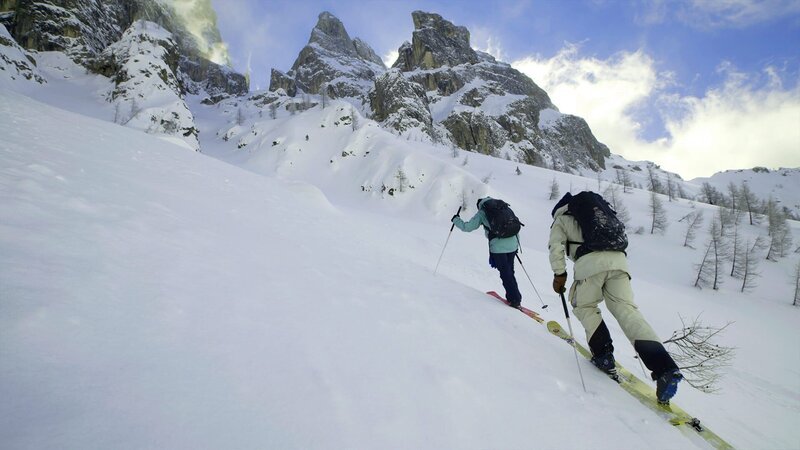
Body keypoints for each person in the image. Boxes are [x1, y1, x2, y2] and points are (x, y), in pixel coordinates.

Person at [548, 192, 682, 404]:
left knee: (584, 306)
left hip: (590, 264)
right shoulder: (600, 215)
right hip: (620, 263)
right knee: (627, 311)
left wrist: (559, 274)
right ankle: (665, 368)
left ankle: (603, 354)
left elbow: (555, 248)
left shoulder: (561, 218)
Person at [452, 197, 522, 308]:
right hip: (513, 243)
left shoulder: (483, 212)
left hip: (499, 248)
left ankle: (515, 299)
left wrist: (456, 220)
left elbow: (467, 227)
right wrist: (515, 245)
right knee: (509, 271)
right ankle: (513, 296)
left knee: (505, 273)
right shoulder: (502, 206)